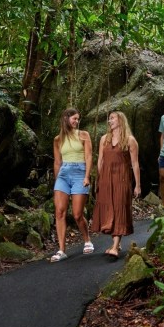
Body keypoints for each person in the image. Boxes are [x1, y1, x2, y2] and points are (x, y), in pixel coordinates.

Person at [92, 111, 141, 258]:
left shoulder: (130, 140)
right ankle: (116, 242)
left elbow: (135, 164)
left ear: (121, 120)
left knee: (119, 208)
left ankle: (115, 247)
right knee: (108, 209)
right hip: (106, 179)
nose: (109, 121)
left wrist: (137, 185)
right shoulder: (104, 139)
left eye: (112, 118)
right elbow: (100, 160)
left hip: (122, 179)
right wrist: (99, 179)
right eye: (109, 118)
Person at [50, 108, 94, 262]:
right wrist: (57, 181)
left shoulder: (84, 135)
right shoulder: (57, 139)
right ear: (66, 118)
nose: (77, 121)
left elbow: (88, 156)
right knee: (60, 212)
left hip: (80, 173)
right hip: (63, 174)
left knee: (77, 214)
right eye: (74, 118)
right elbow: (57, 162)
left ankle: (87, 239)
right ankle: (62, 250)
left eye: (78, 119)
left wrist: (87, 176)